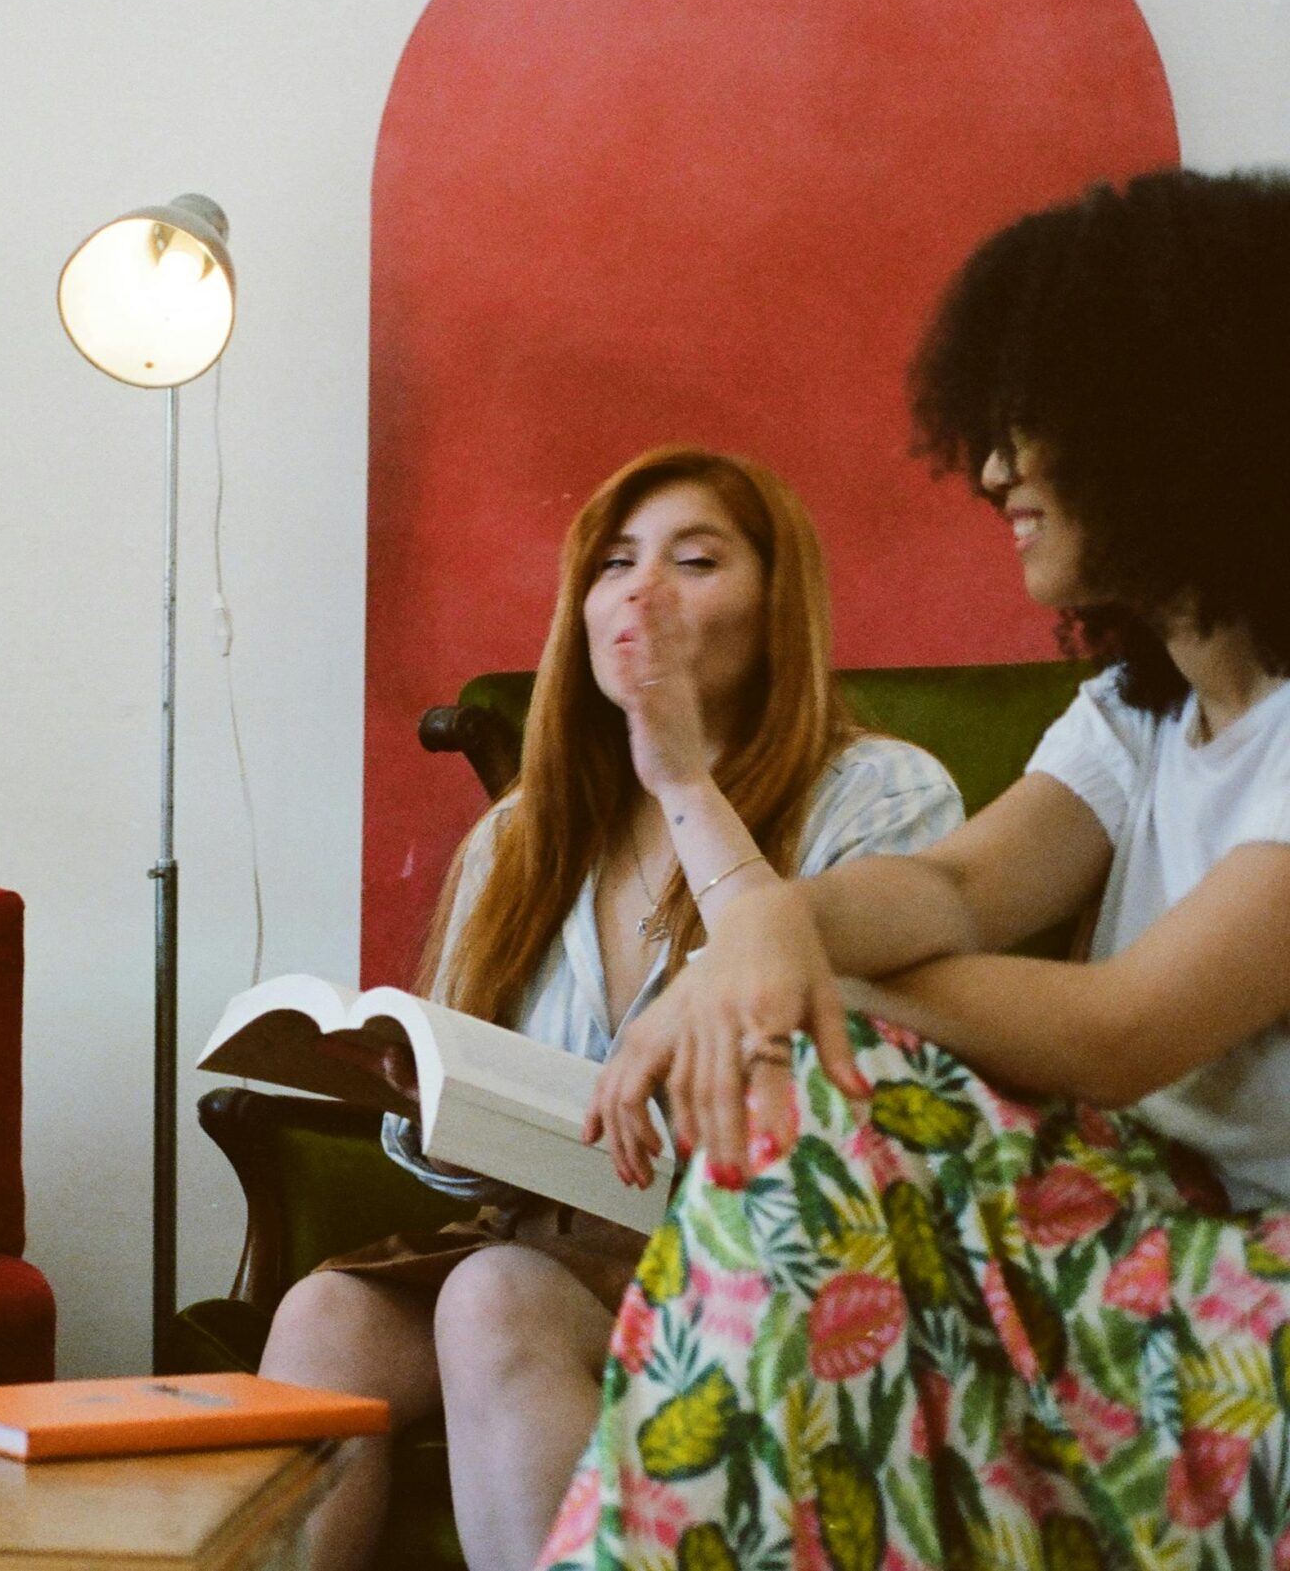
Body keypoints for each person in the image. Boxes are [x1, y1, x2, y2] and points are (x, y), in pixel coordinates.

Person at [548, 168, 1290, 1570]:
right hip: (1118, 1231)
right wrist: (769, 926)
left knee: (823, 1079)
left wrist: (788, 973)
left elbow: (1124, 1033)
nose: (995, 470)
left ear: (1176, 421)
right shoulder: (1141, 712)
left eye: (1033, 425)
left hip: (1243, 1273)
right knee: (804, 1103)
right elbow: (952, 889)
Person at [260, 448, 961, 1571]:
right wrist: (420, 1099)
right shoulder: (521, 833)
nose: (640, 591)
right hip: (536, 1231)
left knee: (492, 1297)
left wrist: (681, 766)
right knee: (319, 1317)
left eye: (694, 560)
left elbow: (862, 1078)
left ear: (776, 605)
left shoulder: (882, 792)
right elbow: (467, 1140)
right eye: (614, 562)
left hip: (742, 1246)